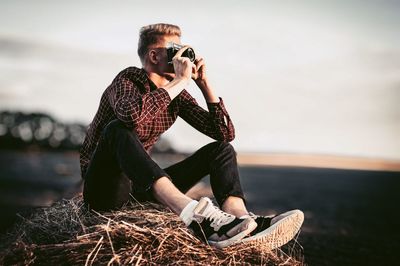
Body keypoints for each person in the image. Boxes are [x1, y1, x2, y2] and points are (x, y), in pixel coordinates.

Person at [79, 23, 304, 249]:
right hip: (104, 189)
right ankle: (196, 216)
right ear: (154, 56)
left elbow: (224, 134)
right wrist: (180, 81)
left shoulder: (177, 94)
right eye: (173, 50)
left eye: (183, 48)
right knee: (117, 128)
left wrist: (204, 84)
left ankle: (242, 221)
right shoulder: (128, 80)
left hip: (141, 190)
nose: (181, 56)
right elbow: (131, 116)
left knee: (221, 150)